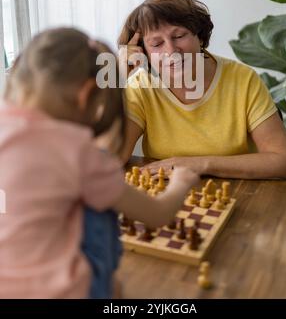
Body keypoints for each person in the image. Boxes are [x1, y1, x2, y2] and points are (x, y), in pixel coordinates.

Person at [0, 27, 199, 299]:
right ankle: (102, 286)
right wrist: (180, 183)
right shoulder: (78, 152)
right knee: (98, 199)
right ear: (86, 95)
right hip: (63, 293)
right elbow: (158, 214)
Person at [118, 0, 286, 180]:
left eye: (179, 36)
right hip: (167, 198)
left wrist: (199, 164)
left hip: (237, 196)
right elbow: (110, 159)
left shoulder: (243, 80)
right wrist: (118, 80)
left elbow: (283, 163)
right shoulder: (141, 87)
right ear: (143, 52)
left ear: (200, 37)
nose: (171, 50)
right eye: (156, 44)